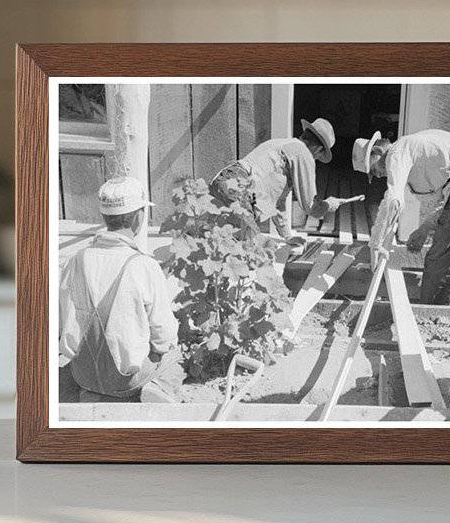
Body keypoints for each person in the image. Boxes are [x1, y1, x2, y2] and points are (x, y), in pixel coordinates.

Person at [59, 176, 183, 403]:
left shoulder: (75, 260)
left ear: (104, 216)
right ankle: (157, 389)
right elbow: (164, 336)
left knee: (67, 366)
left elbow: (60, 321)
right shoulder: (144, 265)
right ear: (138, 217)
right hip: (126, 381)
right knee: (175, 355)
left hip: (84, 375)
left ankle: (82, 392)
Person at [352, 128, 450, 306]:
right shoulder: (418, 147)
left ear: (377, 152)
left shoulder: (397, 151)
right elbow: (448, 198)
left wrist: (375, 244)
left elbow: (393, 200)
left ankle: (432, 316)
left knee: (440, 261)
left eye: (373, 170)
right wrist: (424, 229)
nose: (377, 175)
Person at [209, 118, 354, 241]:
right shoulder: (302, 152)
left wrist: (287, 237)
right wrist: (328, 205)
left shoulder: (281, 145)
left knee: (226, 244)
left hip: (224, 182)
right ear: (318, 150)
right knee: (254, 250)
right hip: (238, 188)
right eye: (318, 156)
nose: (316, 159)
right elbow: (310, 206)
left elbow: (277, 204)